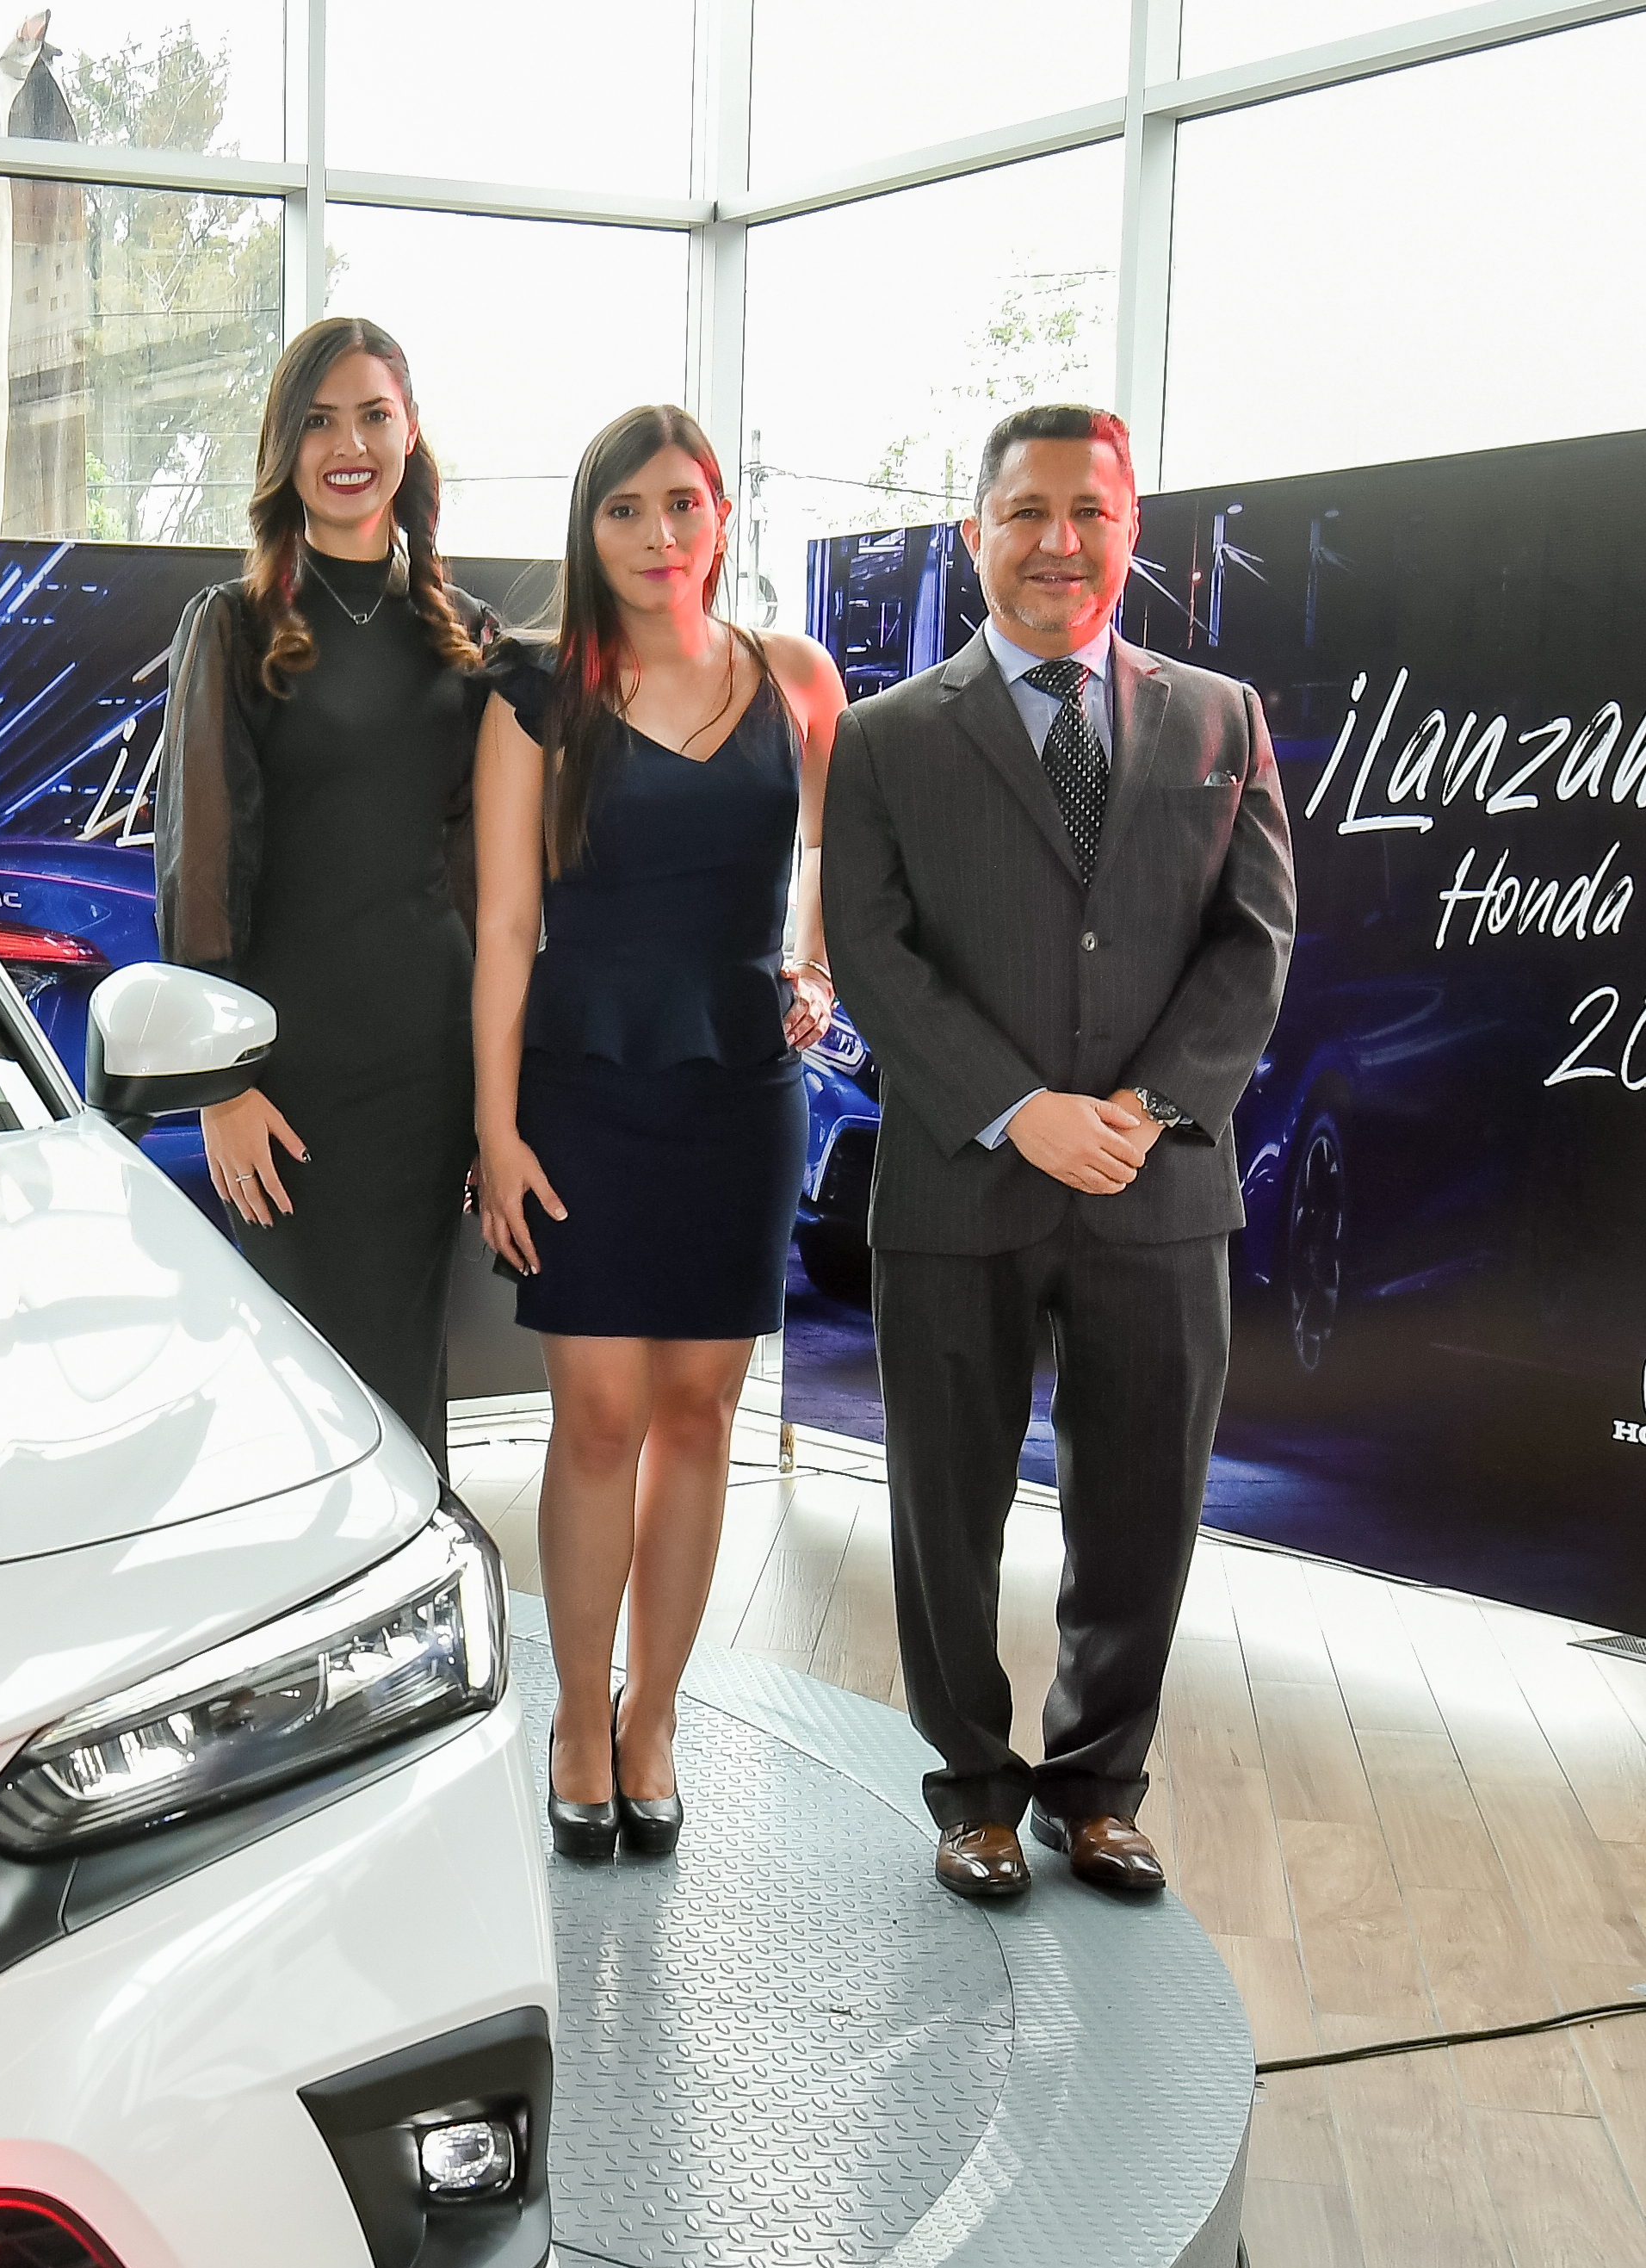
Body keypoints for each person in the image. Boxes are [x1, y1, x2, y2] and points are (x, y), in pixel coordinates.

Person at [822, 404, 1293, 1905]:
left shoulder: (1220, 719)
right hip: (961, 1184)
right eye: (1023, 513)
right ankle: (968, 1787)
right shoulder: (888, 739)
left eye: (1087, 512)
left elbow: (1255, 940)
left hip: (1156, 1190)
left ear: (1128, 529)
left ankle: (1097, 1790)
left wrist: (1145, 1113)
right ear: (975, 534)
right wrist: (1017, 1108)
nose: (1056, 542)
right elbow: (873, 955)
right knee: (941, 1507)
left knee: (1140, 1506)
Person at [473, 406, 845, 1860]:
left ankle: (655, 1719)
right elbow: (504, 925)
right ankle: (576, 1716)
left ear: (722, 520)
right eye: (623, 511)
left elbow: (837, 859)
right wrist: (493, 1132)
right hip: (580, 1088)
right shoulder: (536, 694)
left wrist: (810, 962)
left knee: (701, 1419)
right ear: (588, 529)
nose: (655, 537)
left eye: (681, 506)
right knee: (600, 1420)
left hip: (739, 1096)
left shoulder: (795, 680)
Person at [153, 315, 510, 1457]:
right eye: (317, 421)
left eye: (370, 414)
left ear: (409, 434)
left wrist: (494, 1105)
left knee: (405, 1380)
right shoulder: (233, 624)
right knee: (302, 1393)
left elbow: (485, 891)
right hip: (287, 1082)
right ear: (283, 448)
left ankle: (409, 1617)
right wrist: (218, 1086)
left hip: (427, 1071)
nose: (345, 443)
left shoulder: (467, 639)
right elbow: (199, 869)